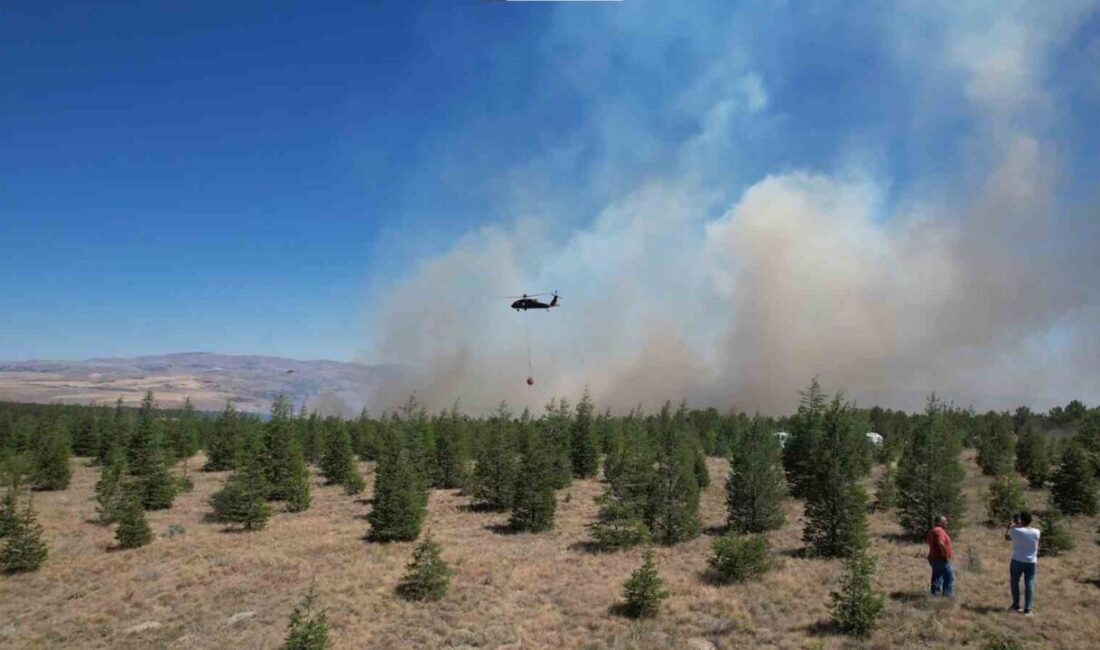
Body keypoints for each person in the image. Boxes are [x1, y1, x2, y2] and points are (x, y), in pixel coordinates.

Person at [1005, 511, 1041, 616]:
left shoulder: (1016, 531)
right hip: (1031, 562)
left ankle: (1016, 605)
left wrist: (1009, 527)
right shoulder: (1037, 532)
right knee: (1029, 583)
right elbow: (1027, 530)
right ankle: (1028, 609)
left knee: (1014, 582)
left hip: (1017, 560)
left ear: (1021, 520)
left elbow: (1007, 537)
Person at [925, 515, 954, 597]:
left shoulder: (932, 531)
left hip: (933, 558)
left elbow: (928, 541)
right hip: (941, 559)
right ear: (939, 522)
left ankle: (935, 596)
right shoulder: (939, 531)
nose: (946, 523)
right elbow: (941, 543)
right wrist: (945, 555)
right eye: (944, 521)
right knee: (949, 578)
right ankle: (947, 598)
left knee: (937, 577)